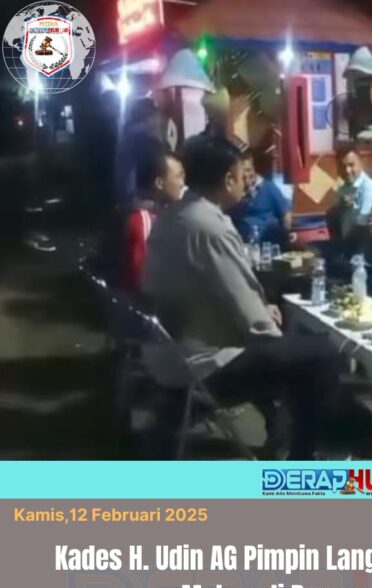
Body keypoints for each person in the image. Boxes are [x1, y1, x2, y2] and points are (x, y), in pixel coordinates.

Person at [142, 136, 339, 460]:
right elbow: (253, 319)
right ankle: (303, 458)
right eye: (240, 174)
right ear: (227, 179)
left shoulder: (172, 216)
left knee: (297, 344)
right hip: (204, 367)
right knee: (322, 353)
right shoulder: (209, 227)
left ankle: (282, 430)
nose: (245, 181)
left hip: (169, 353)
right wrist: (275, 336)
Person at [122, 145, 185, 291]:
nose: (182, 184)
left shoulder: (165, 213)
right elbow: (141, 277)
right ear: (159, 183)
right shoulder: (142, 221)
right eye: (178, 176)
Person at [229, 152, 292, 245]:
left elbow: (286, 214)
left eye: (248, 170)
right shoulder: (233, 193)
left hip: (269, 244)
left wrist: (286, 234)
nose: (246, 174)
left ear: (254, 169)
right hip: (243, 245)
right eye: (242, 171)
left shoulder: (268, 187)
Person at [326, 147, 372, 254]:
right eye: (342, 166)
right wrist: (340, 208)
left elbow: (362, 224)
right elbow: (331, 217)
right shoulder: (343, 188)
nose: (347, 171)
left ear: (361, 164)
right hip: (345, 245)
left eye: (351, 165)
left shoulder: (369, 187)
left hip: (363, 249)